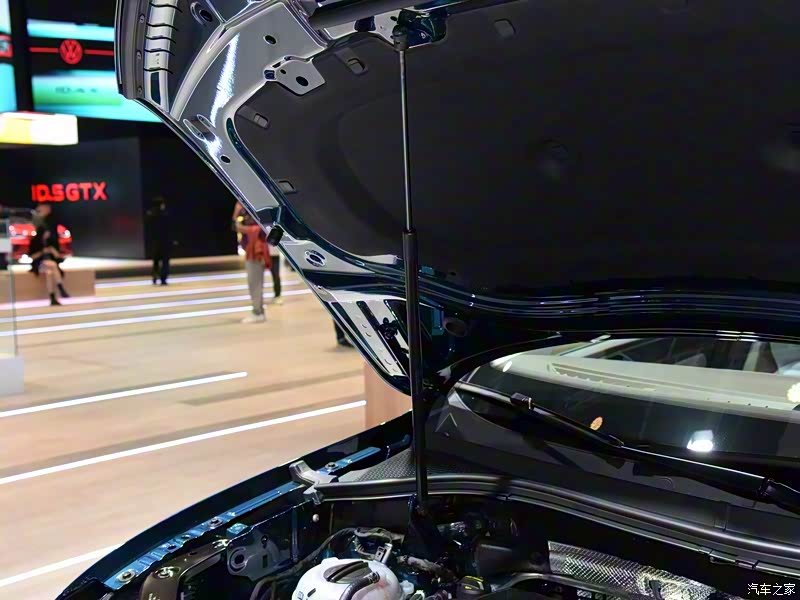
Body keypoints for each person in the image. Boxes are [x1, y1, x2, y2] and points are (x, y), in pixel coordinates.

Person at [233, 201, 270, 323]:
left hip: (257, 250)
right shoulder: (243, 209)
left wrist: (245, 229)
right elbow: (234, 225)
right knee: (253, 282)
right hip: (249, 249)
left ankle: (258, 312)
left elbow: (263, 230)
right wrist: (237, 211)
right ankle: (258, 310)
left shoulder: (258, 209)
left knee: (255, 282)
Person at [29, 204, 69, 306]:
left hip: (49, 264)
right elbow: (32, 256)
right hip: (39, 263)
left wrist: (53, 251)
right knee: (52, 266)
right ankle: (60, 288)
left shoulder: (50, 242)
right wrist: (43, 252)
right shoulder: (35, 242)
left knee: (50, 272)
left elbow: (58, 257)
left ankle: (52, 297)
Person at [146, 196, 175, 285]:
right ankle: (163, 278)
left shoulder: (150, 215)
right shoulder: (165, 214)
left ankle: (155, 275)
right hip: (164, 240)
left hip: (154, 241)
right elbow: (168, 228)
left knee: (156, 260)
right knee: (165, 261)